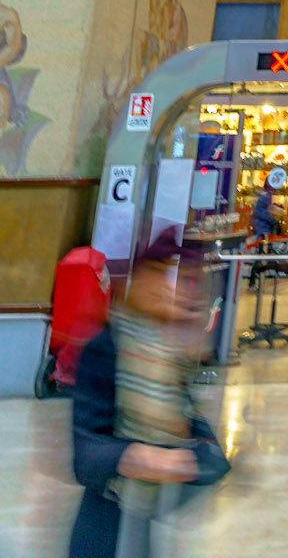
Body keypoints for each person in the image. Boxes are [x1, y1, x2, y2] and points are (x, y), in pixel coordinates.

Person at [67, 233, 228, 558]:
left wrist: (198, 459)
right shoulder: (108, 347)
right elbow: (85, 457)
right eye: (168, 277)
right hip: (104, 525)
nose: (177, 292)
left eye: (188, 282)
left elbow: (205, 446)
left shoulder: (166, 355)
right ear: (141, 280)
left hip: (142, 525)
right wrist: (135, 457)